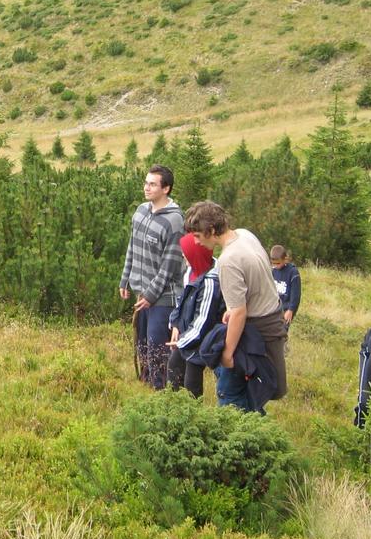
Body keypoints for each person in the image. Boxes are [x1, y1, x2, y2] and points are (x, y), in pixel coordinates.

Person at [183, 200, 289, 405]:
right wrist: (231, 308)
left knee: (229, 392)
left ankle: (237, 433)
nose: (195, 242)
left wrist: (228, 354)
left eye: (197, 235)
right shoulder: (244, 234)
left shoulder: (228, 260)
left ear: (211, 230)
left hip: (258, 329)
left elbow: (240, 312)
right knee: (253, 392)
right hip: (273, 317)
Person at [119, 164, 186, 390]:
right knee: (143, 345)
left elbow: (169, 265)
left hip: (163, 298)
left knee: (158, 348)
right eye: (146, 182)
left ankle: (162, 393)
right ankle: (147, 387)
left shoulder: (175, 221)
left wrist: (150, 294)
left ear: (165, 188)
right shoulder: (140, 211)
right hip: (142, 293)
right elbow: (132, 246)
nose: (146, 187)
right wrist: (125, 278)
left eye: (152, 184)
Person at [166, 233, 224, 398]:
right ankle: (172, 412)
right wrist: (175, 324)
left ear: (196, 254)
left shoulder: (210, 282)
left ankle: (193, 417)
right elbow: (181, 301)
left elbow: (203, 322)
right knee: (174, 368)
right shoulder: (190, 272)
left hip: (201, 341)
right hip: (185, 337)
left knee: (191, 384)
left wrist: (181, 341)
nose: (183, 255)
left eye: (186, 252)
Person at [270, 245, 301, 328]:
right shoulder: (273, 270)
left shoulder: (293, 272)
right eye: (274, 263)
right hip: (274, 308)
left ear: (285, 259)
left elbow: (296, 294)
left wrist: (291, 310)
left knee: (282, 332)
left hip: (286, 309)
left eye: (278, 263)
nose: (276, 265)